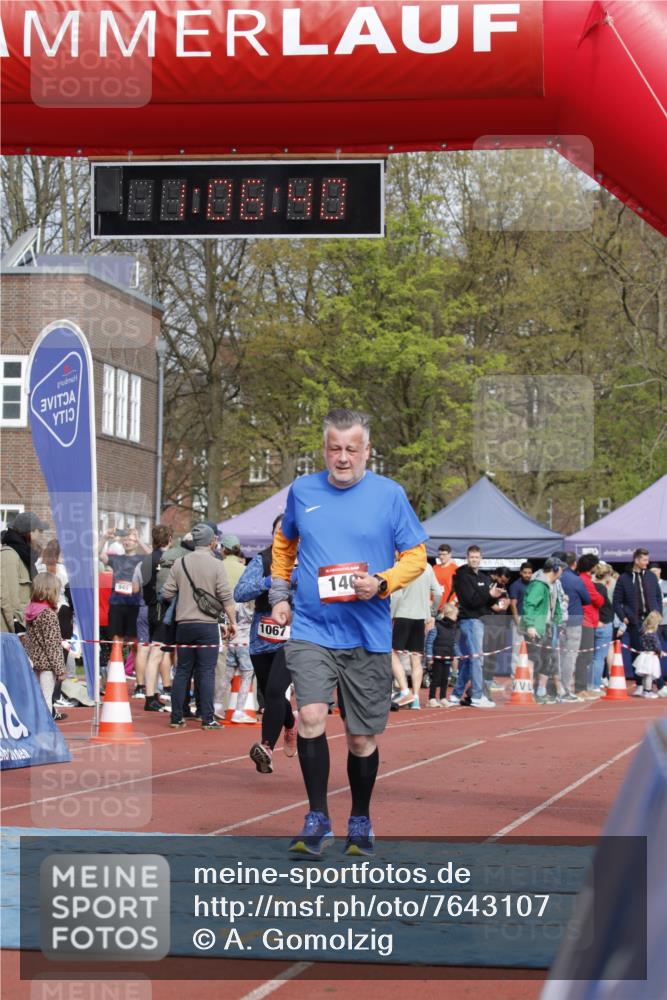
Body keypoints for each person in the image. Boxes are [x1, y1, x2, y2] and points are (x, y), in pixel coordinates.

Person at [269, 408, 427, 856]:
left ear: (366, 451)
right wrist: (280, 594)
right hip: (313, 629)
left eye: (351, 450)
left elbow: (416, 557)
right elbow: (284, 544)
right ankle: (317, 817)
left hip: (367, 633)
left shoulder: (389, 495)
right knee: (312, 716)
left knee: (361, 738)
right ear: (324, 449)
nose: (342, 458)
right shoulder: (302, 490)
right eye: (334, 449)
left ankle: (360, 818)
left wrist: (382, 582)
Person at [236, 514, 298, 774]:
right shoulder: (262, 560)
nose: (282, 536)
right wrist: (268, 581)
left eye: (288, 532)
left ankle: (266, 748)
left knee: (274, 691)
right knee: (270, 695)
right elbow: (240, 592)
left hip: (293, 636)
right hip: (261, 638)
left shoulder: (306, 559)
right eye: (278, 532)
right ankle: (290, 724)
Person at [161, 522, 237, 730]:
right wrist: (232, 622)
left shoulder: (180, 563)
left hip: (184, 624)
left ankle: (177, 717)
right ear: (212, 542)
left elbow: (167, 593)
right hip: (207, 625)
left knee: (182, 671)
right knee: (206, 671)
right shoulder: (216, 564)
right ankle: (207, 717)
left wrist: (184, 595)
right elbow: (226, 597)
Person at [449, 546, 505, 708]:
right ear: (467, 557)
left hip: (482, 620)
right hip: (470, 621)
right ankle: (477, 696)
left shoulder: (485, 577)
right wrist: (489, 595)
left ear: (481, 558)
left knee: (469, 660)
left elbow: (488, 601)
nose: (474, 559)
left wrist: (497, 601)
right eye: (472, 557)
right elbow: (469, 601)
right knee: (477, 659)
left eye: (477, 557)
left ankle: (456, 694)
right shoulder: (461, 576)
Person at [133, 524, 174, 712]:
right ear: (170, 539)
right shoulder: (169, 560)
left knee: (153, 652)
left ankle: (151, 693)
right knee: (157, 653)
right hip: (162, 608)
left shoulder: (145, 561)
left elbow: (139, 585)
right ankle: (151, 696)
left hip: (149, 607)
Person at [390, 563, 442, 709]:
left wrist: (391, 615)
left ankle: (405, 691)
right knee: (416, 658)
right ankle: (416, 698)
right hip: (420, 617)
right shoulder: (427, 567)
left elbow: (397, 595)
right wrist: (432, 613)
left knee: (391, 653)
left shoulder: (400, 565)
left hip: (402, 614)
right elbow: (438, 593)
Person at [612, 548, 662, 691]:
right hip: (635, 621)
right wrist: (624, 617)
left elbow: (657, 597)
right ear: (636, 560)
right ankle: (640, 684)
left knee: (654, 651)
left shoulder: (651, 577)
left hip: (652, 621)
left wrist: (658, 615)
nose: (647, 563)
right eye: (645, 560)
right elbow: (616, 602)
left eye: (648, 560)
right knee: (637, 652)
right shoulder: (624, 578)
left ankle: (659, 685)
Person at [521, 557, 567, 704]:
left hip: (548, 627)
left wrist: (559, 624)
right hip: (536, 627)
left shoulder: (552, 584)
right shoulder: (539, 585)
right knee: (533, 659)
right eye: (561, 568)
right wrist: (530, 625)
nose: (563, 571)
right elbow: (529, 605)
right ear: (555, 569)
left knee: (548, 659)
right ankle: (526, 690)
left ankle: (541, 690)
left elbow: (557, 606)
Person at [99, 526, 150, 652]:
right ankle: (116, 668)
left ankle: (134, 670)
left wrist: (140, 540)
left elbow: (154, 556)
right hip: (117, 604)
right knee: (117, 639)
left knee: (134, 641)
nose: (127, 542)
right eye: (125, 540)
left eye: (130, 540)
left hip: (134, 604)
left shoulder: (141, 558)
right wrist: (104, 538)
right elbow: (98, 554)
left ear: (136, 543)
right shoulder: (116, 558)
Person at [24, 572, 67, 719]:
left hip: (33, 660)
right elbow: (52, 645)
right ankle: (46, 728)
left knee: (35, 697)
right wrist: (60, 669)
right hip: (47, 665)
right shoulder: (48, 614)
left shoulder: (30, 610)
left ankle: (33, 724)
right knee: (46, 697)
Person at [1, 512, 48, 633]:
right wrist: (18, 627)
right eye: (39, 531)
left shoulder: (24, 557)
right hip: (9, 632)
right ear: (30, 532)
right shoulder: (9, 555)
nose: (40, 536)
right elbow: (8, 598)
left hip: (23, 627)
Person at [555, 551, 591, 699]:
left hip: (557, 620)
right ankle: (565, 688)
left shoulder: (556, 576)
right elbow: (587, 599)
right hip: (573, 621)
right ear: (574, 564)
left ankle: (556, 688)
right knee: (570, 656)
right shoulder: (575, 580)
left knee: (557, 655)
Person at [574, 554, 604, 698]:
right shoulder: (585, 580)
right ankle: (580, 688)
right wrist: (601, 596)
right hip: (586, 620)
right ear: (591, 566)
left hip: (586, 620)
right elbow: (597, 600)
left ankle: (582, 687)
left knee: (584, 656)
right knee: (585, 656)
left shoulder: (583, 579)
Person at [589, 564, 614, 695]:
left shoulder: (591, 586)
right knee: (599, 657)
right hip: (603, 624)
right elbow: (603, 608)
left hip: (594, 624)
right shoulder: (601, 588)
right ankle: (595, 685)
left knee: (592, 657)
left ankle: (590, 684)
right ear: (607, 575)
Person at [428, 603, 458, 707]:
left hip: (448, 656)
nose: (456, 618)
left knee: (445, 678)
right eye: (455, 615)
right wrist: (429, 657)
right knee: (436, 678)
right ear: (448, 615)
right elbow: (429, 642)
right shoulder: (436, 626)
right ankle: (431, 698)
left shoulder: (453, 627)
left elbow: (453, 642)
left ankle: (443, 697)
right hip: (437, 656)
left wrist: (455, 654)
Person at [509, 562, 533, 671]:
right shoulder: (515, 585)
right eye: (525, 573)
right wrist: (518, 622)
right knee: (517, 650)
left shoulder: (534, 585)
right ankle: (515, 678)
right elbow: (513, 605)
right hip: (519, 619)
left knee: (532, 650)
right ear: (520, 573)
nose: (527, 575)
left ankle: (530, 677)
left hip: (532, 620)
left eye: (529, 573)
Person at [632, 611, 663, 698]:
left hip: (644, 655)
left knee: (645, 675)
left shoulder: (643, 633)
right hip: (651, 657)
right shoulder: (653, 635)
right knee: (649, 675)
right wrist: (660, 652)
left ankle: (645, 690)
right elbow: (657, 646)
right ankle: (648, 691)